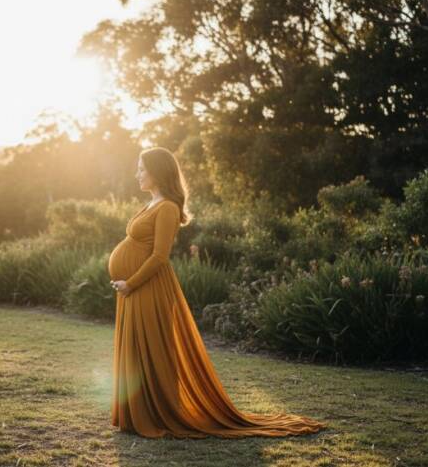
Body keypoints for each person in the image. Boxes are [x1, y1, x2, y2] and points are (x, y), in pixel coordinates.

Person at [107, 146, 328, 439]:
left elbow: (160, 256)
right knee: (137, 348)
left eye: (141, 169)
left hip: (147, 287)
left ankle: (158, 412)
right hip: (133, 288)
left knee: (154, 349)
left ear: (158, 173)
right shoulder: (151, 204)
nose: (137, 174)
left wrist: (131, 282)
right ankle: (136, 414)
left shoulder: (168, 208)